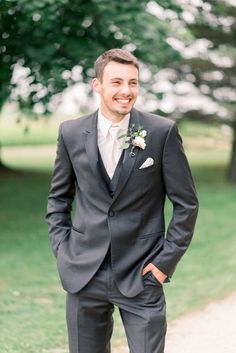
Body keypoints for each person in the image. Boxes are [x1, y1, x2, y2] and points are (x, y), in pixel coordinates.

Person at [46, 48, 198, 353]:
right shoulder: (72, 133)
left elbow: (186, 204)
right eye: (116, 82)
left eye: (133, 83)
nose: (126, 91)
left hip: (142, 273)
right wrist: (63, 251)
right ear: (97, 85)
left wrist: (165, 262)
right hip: (83, 273)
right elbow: (58, 200)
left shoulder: (161, 132)